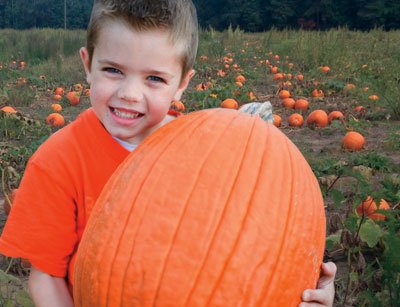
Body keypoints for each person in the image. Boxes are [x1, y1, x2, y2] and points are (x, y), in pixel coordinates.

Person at [0, 0, 336, 306]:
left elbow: (243, 235)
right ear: (88, 64)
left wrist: (303, 287)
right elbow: (46, 276)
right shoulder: (57, 162)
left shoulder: (205, 150)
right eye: (113, 70)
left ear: (182, 83)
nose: (130, 94)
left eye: (154, 79)